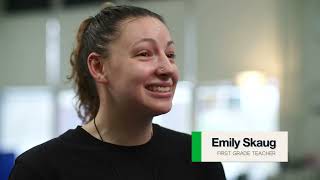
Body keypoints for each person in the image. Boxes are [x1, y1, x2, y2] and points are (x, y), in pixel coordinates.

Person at [9, 4, 226, 180]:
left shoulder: (201, 156)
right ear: (99, 67)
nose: (167, 68)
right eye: (144, 53)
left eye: (170, 54)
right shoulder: (39, 168)